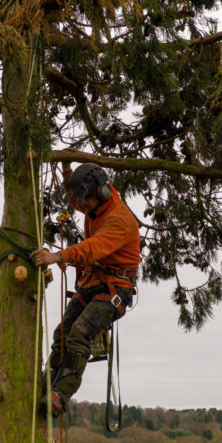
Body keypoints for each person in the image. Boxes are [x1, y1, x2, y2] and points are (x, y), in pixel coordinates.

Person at [30, 163, 141, 416]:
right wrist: (67, 171)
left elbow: (91, 248)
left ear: (100, 193)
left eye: (85, 201)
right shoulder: (95, 204)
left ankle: (60, 394)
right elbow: (78, 201)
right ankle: (46, 384)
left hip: (116, 289)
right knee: (63, 334)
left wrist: (57, 256)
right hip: (92, 283)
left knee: (80, 333)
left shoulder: (119, 220)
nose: (82, 207)